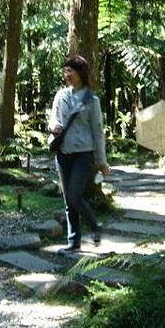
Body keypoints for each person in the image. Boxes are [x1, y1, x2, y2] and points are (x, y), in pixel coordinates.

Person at [48, 55, 110, 253]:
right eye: (65, 71)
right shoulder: (60, 96)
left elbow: (97, 131)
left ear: (80, 73)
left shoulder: (92, 100)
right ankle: (73, 241)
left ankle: (94, 225)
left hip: (83, 153)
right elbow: (53, 119)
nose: (66, 75)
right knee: (69, 200)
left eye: (70, 71)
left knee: (75, 195)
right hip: (63, 152)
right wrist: (55, 127)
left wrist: (102, 161)